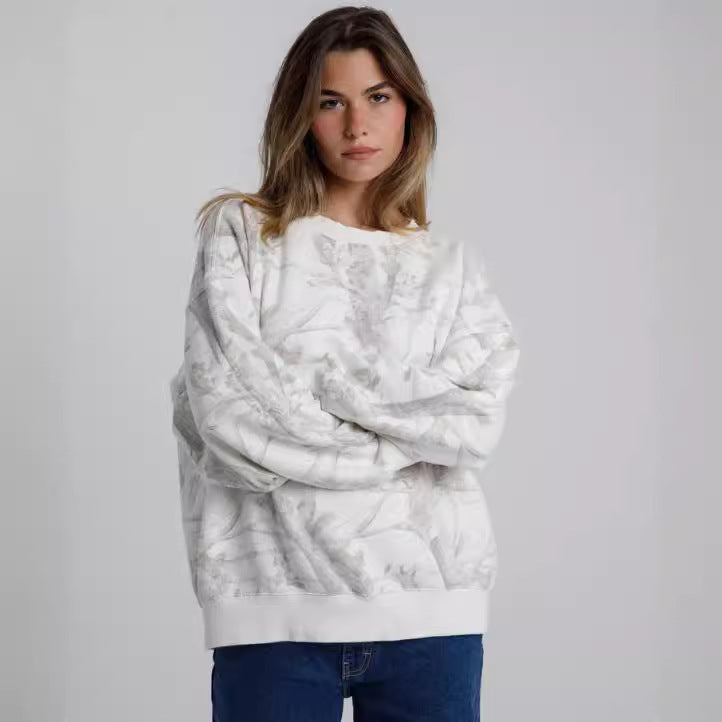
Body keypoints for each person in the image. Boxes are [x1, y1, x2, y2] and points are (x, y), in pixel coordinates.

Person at [168, 6, 521, 721]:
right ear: (301, 114)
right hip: (271, 608)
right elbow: (229, 421)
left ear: (409, 109)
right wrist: (404, 430)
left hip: (433, 612)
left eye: (378, 97)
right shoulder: (242, 236)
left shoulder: (450, 266)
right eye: (331, 102)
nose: (358, 125)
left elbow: (474, 424)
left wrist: (317, 397)